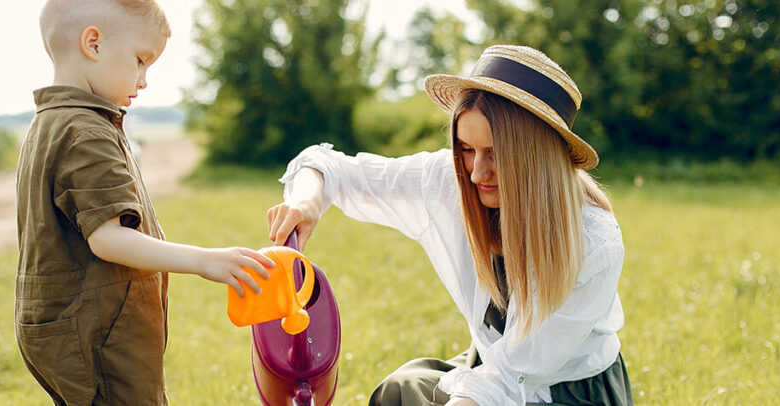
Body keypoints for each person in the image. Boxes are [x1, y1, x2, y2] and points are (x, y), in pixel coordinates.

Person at [267, 45, 632, 405]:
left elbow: (511, 375)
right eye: (467, 149)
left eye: (496, 154)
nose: (476, 172)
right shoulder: (449, 181)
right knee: (400, 389)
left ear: (536, 159)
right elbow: (329, 166)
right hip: (490, 365)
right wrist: (306, 202)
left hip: (567, 390)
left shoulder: (593, 242)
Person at [16, 1, 275, 404]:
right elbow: (108, 239)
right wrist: (205, 260)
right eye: (140, 60)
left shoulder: (50, 122)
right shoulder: (86, 131)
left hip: (73, 326)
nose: (144, 79)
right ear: (94, 43)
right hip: (99, 331)